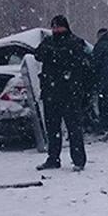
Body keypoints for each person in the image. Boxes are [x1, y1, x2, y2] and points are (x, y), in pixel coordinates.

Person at [35, 15, 90, 171]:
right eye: (53, 27)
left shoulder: (75, 42)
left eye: (58, 27)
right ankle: (53, 158)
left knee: (74, 128)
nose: (55, 30)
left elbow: (73, 61)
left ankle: (78, 160)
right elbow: (37, 54)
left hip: (69, 93)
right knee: (52, 129)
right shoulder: (49, 42)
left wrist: (53, 54)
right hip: (51, 92)